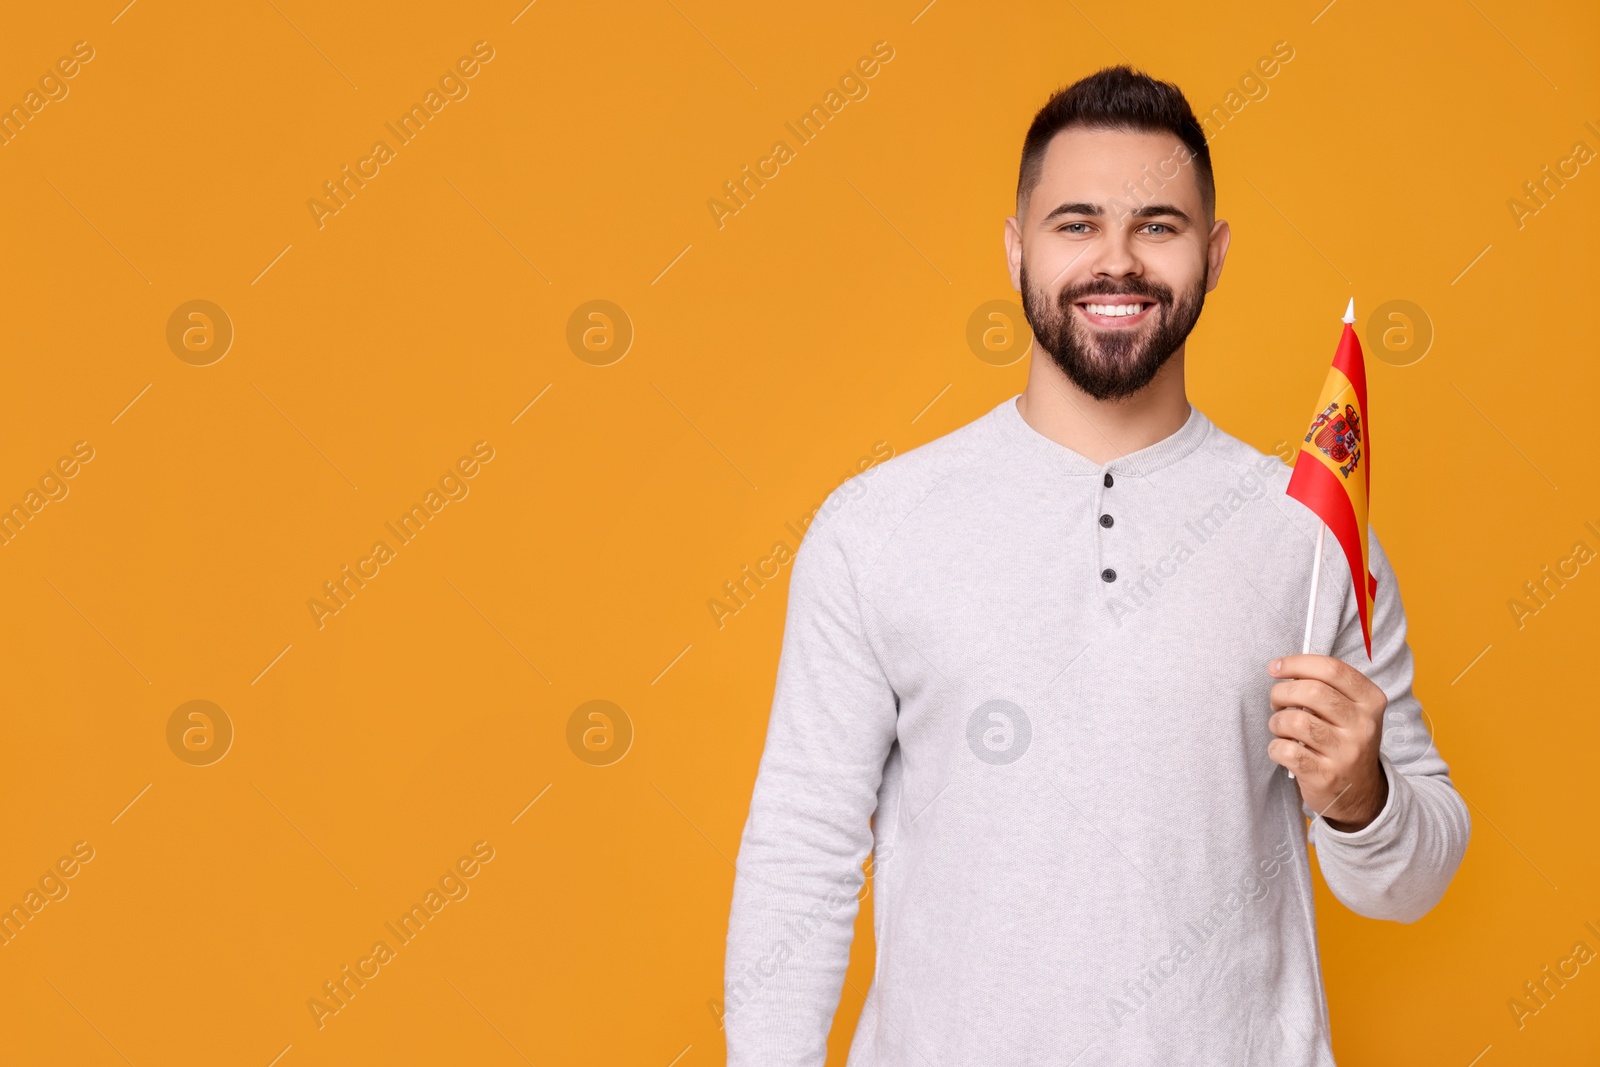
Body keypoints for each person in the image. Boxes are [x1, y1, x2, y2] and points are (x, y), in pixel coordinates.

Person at [722, 65, 1469, 1066]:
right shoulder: (877, 527)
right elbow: (802, 852)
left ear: (1212, 254)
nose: (1115, 261)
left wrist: (1362, 793)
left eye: (1156, 226)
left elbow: (1408, 881)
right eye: (1075, 223)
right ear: (1015, 246)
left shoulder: (1310, 536)